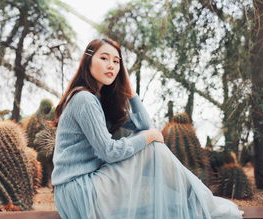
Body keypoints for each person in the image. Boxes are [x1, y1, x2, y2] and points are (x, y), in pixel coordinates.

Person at [51, 38, 243, 219]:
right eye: (104, 58)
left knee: (149, 140)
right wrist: (148, 137)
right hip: (79, 190)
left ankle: (199, 200)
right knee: (151, 145)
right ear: (88, 61)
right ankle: (202, 201)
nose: (111, 65)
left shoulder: (99, 101)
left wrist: (130, 90)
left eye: (117, 62)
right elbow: (110, 151)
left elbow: (144, 124)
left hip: (84, 187)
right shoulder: (85, 99)